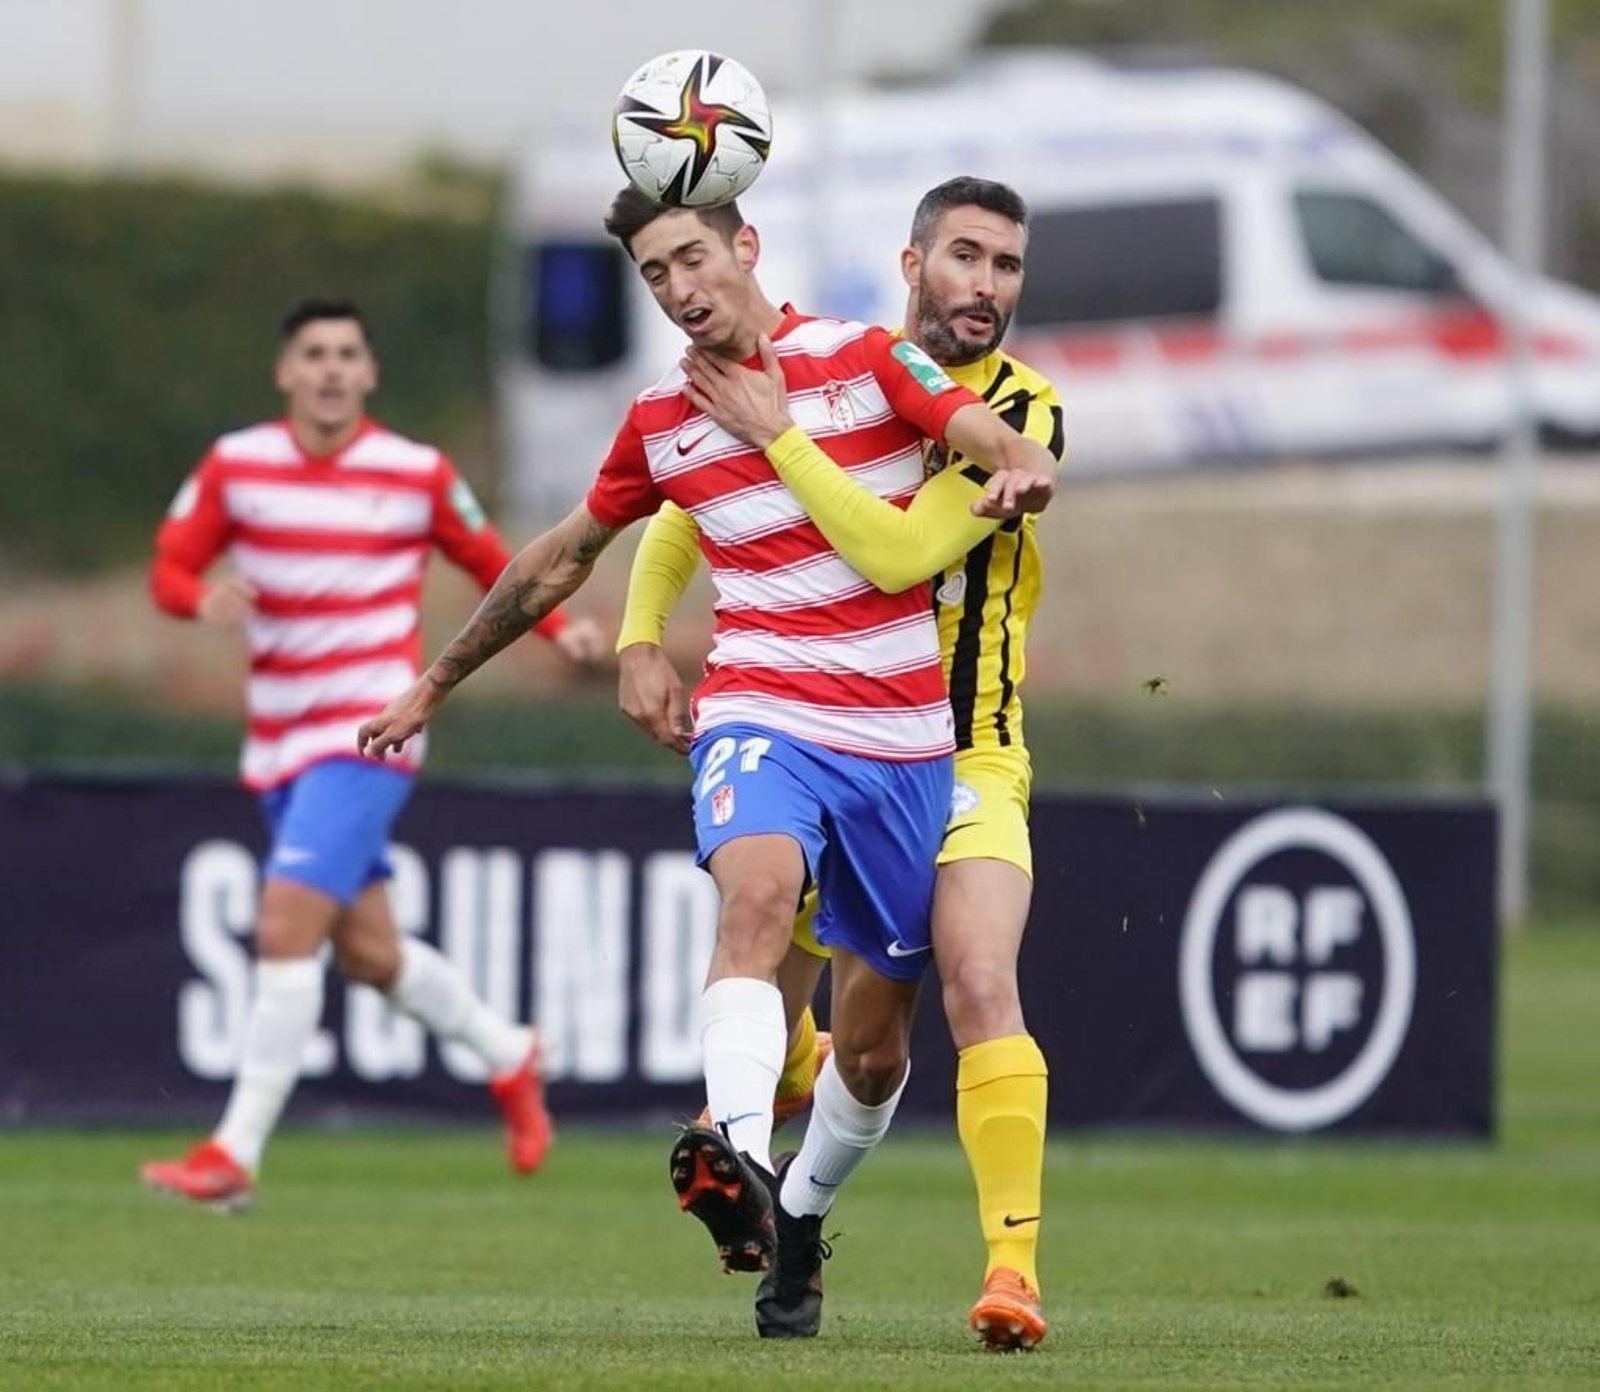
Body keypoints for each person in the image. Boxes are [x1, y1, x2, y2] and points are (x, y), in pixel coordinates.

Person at [354, 187, 1055, 1337]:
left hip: (906, 744)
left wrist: (1017, 458)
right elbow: (560, 559)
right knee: (758, 895)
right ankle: (733, 1158)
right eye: (653, 273)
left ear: (746, 247)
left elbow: (977, 433)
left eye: (691, 258)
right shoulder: (658, 421)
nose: (678, 288)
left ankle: (799, 1220)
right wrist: (435, 681)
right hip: (759, 714)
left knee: (874, 1052)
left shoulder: (860, 358)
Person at [615, 177, 1059, 1350]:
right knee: (763, 928)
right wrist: (637, 634)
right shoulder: (823, 363)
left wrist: (779, 435)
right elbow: (679, 513)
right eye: (964, 256)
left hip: (955, 754)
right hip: (810, 727)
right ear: (911, 265)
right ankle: (753, 1151)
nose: (985, 285)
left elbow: (898, 556)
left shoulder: (1019, 415)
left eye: (1007, 267)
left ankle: (878, 1235)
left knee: (913, 1020)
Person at [141, 298, 606, 1211]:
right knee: (371, 954)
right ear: (286, 372)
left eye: (347, 353)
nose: (329, 369)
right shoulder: (238, 465)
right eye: (312, 353)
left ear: (369, 373)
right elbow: (169, 567)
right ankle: (510, 1053)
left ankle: (235, 1154)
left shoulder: (416, 473)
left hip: (368, 734)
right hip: (278, 743)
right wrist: (197, 600)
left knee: (283, 925)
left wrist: (563, 638)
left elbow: (493, 567)